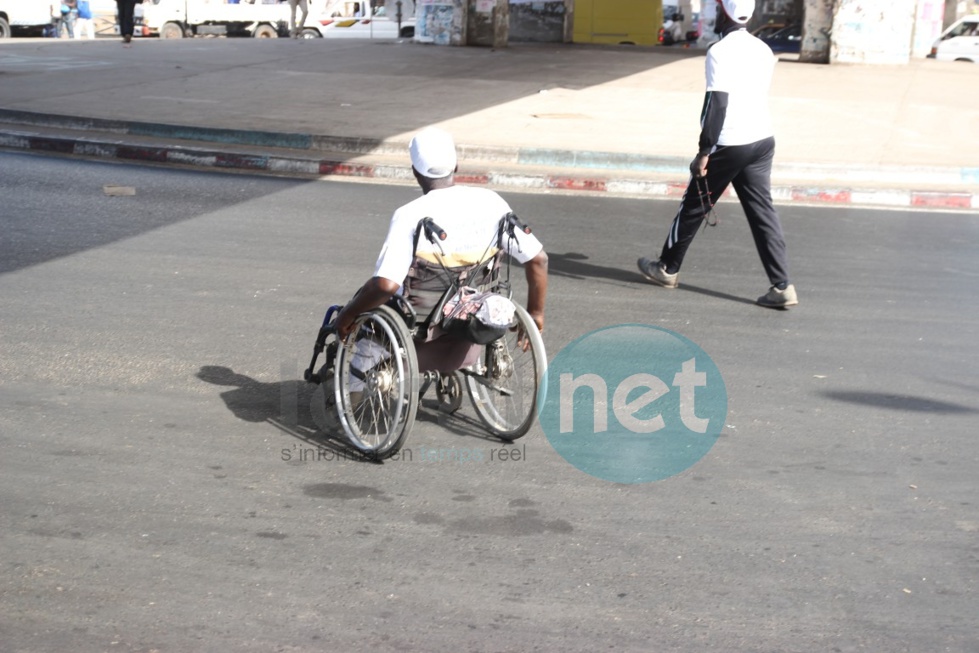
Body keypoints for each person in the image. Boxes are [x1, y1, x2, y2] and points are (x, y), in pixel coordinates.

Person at [334, 127, 548, 373]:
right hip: (474, 308)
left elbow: (385, 286)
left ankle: (357, 389)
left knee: (367, 311)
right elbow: (538, 260)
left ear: (415, 171)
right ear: (455, 166)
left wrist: (348, 316)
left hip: (419, 317)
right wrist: (536, 313)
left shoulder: (410, 214)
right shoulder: (492, 202)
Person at [637, 0, 798, 309]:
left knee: (693, 206)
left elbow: (717, 104)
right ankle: (782, 286)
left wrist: (704, 150)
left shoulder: (719, 52)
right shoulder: (764, 50)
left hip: (730, 142)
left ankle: (667, 268)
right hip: (762, 140)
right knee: (763, 213)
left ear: (725, 12)